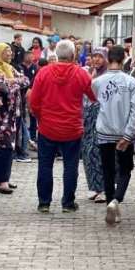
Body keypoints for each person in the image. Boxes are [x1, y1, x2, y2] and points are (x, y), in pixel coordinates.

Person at [30, 40, 96, 213]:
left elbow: (34, 101)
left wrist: (40, 118)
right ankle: (68, 203)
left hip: (47, 128)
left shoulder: (43, 73)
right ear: (73, 55)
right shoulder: (81, 74)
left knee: (45, 166)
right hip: (72, 128)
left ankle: (44, 202)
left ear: (56, 55)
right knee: (70, 166)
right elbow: (93, 96)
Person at [92, 45, 135, 225]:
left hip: (104, 130)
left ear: (108, 59)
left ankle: (110, 205)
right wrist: (128, 135)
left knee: (108, 170)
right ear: (123, 60)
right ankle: (115, 200)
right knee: (125, 169)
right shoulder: (131, 82)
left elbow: (98, 100)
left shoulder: (97, 82)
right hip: (123, 134)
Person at [0, 43, 30, 194]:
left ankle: (3, 179)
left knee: (8, 146)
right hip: (0, 116)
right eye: (7, 51)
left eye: (10, 51)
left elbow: (26, 80)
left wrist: (11, 81)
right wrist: (14, 82)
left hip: (12, 115)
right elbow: (6, 90)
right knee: (1, 146)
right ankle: (1, 180)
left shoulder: (8, 68)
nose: (10, 53)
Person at [81, 47, 108, 203]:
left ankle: (105, 188)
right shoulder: (92, 74)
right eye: (94, 56)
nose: (96, 59)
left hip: (103, 119)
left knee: (99, 152)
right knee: (89, 152)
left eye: (100, 57)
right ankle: (96, 187)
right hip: (89, 119)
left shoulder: (107, 77)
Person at [18, 48, 39, 152]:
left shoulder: (35, 67)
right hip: (21, 93)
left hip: (32, 92)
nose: (31, 57)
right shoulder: (19, 67)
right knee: (22, 116)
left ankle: (33, 136)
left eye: (32, 56)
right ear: (25, 56)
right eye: (29, 56)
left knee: (33, 115)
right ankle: (25, 139)